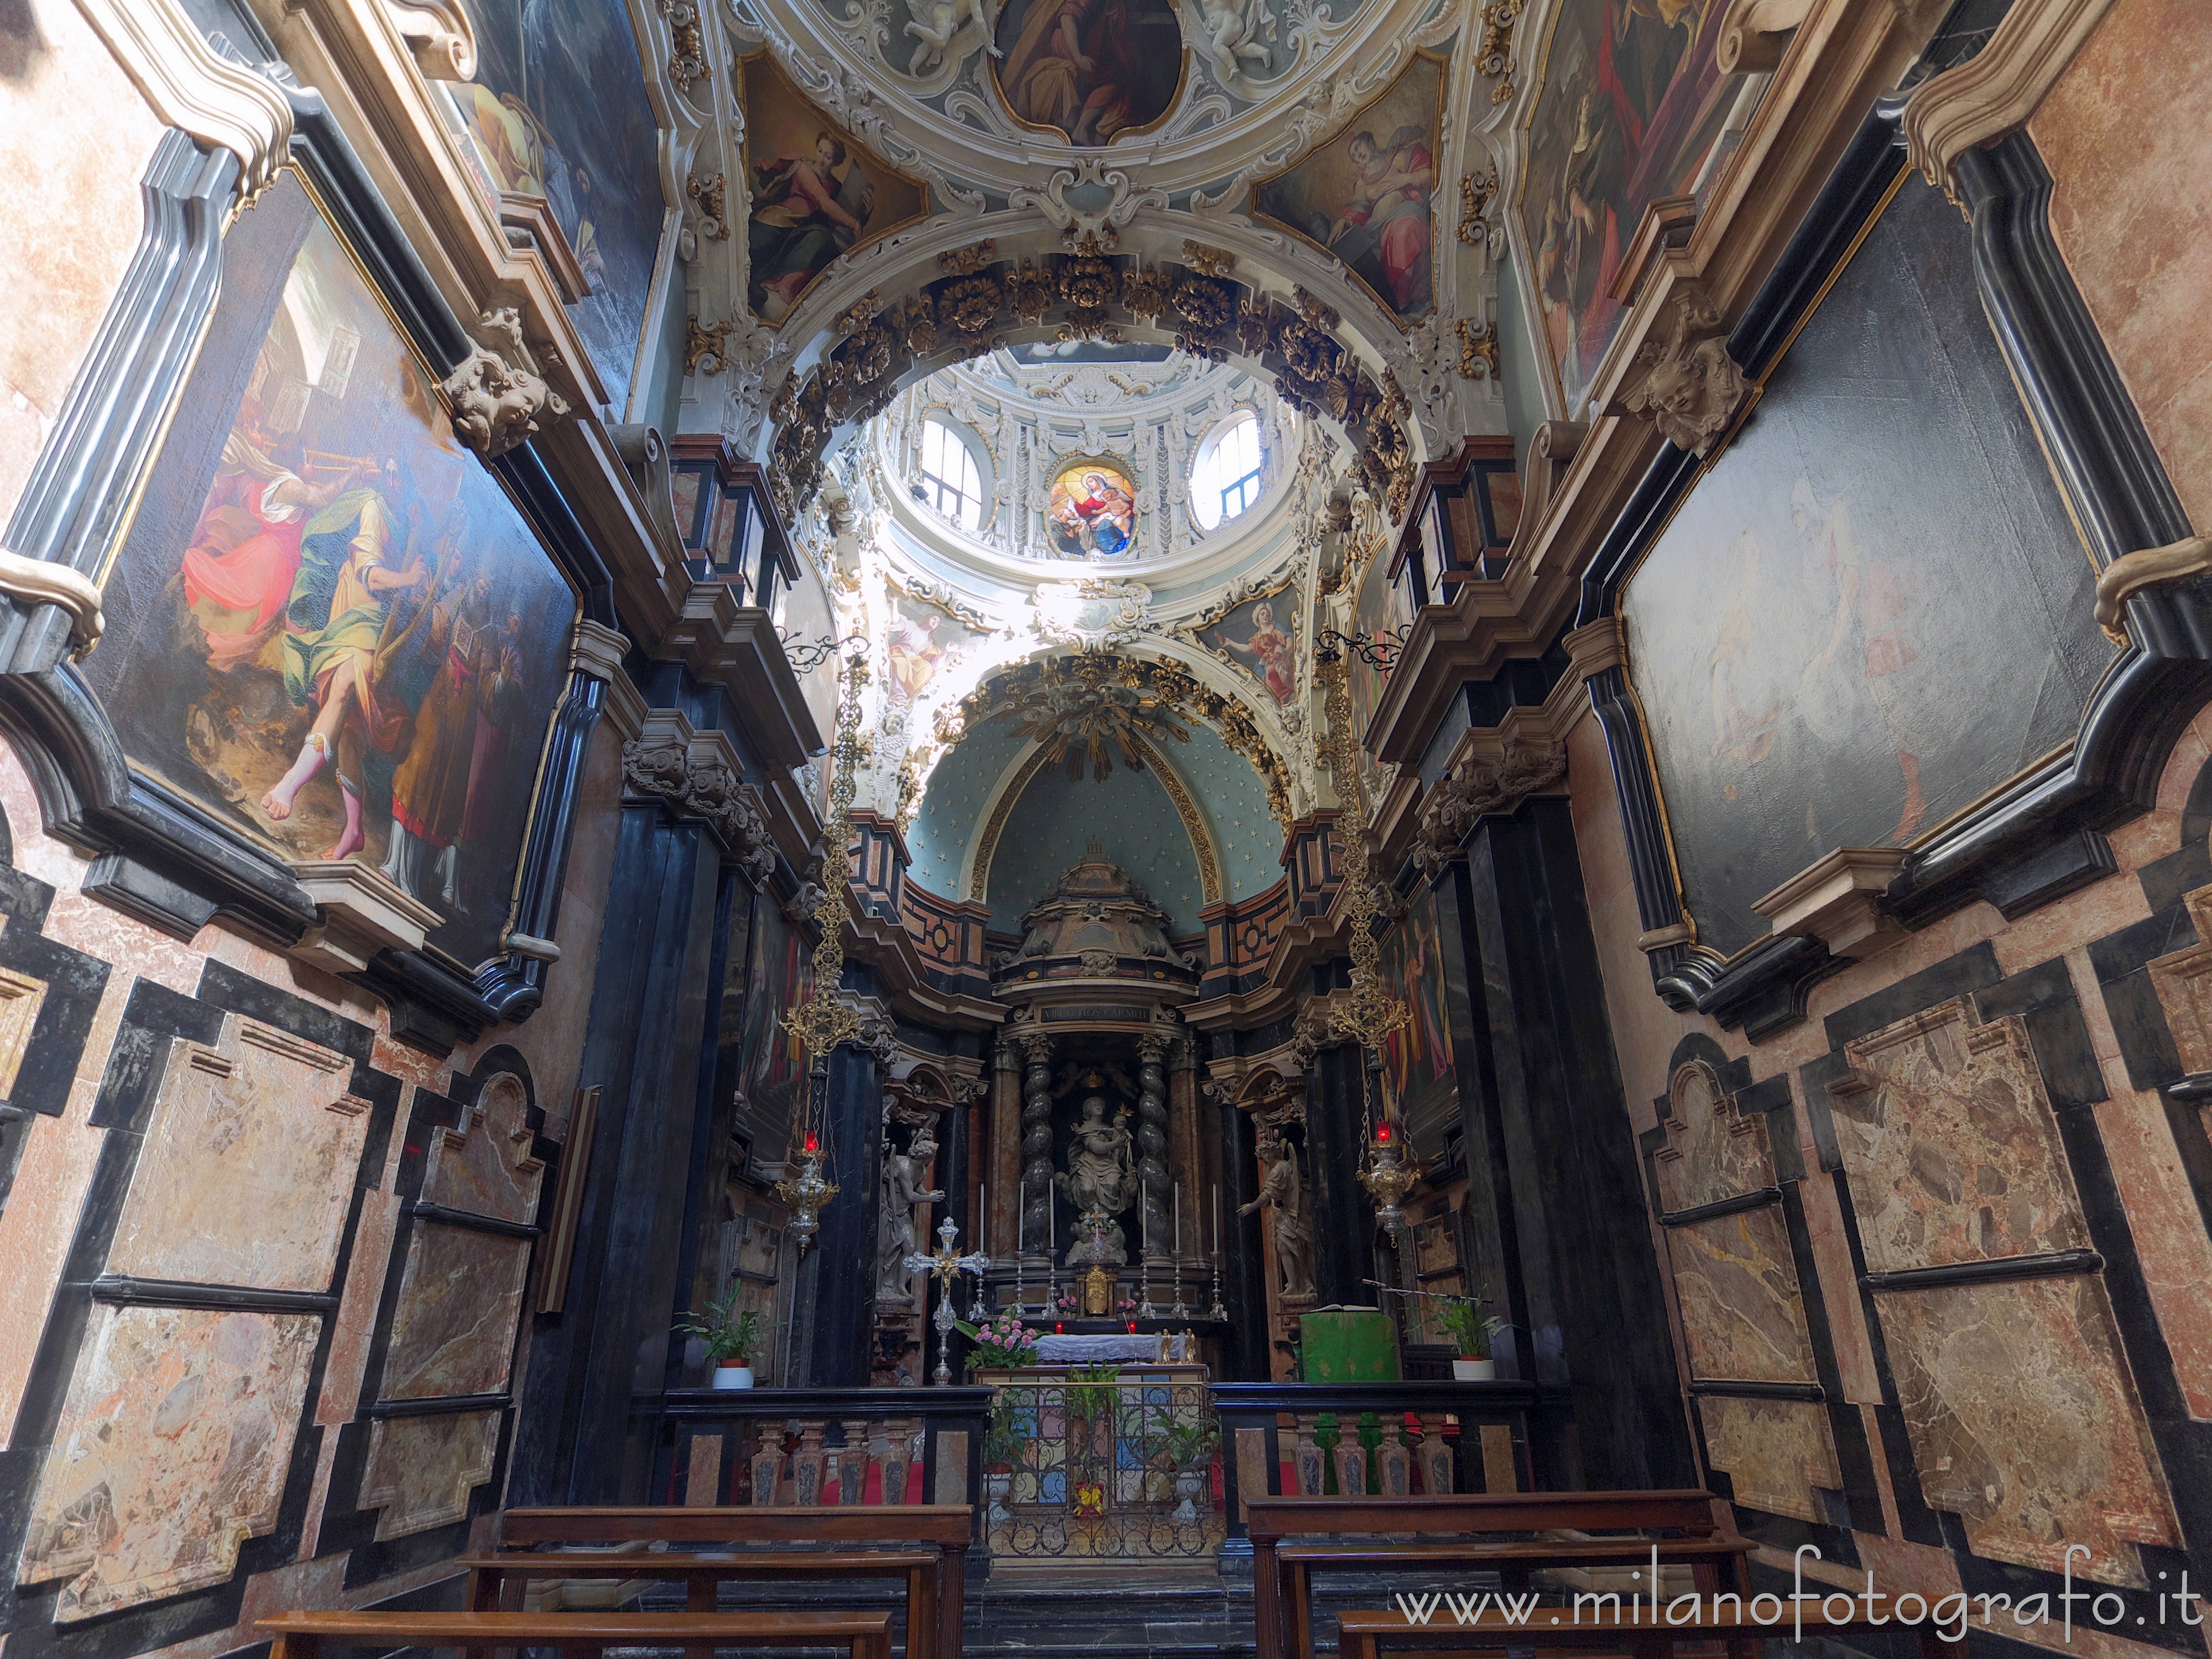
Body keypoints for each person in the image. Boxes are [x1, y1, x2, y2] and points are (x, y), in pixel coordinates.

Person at [260, 456, 427, 860]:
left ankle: (290, 783)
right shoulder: (373, 506)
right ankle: (353, 831)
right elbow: (369, 571)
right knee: (349, 732)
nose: (390, 478)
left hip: (369, 623)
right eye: (386, 471)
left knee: (345, 689)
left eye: (396, 472)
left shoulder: (407, 523)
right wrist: (406, 579)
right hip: (352, 611)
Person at [749, 133, 877, 321]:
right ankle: (755, 283)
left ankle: (767, 284)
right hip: (777, 222)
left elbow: (837, 217)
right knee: (753, 250)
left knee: (824, 241)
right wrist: (855, 223)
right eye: (820, 151)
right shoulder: (803, 167)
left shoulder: (835, 186)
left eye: (828, 156)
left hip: (800, 231)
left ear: (836, 162)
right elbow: (823, 203)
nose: (822, 158)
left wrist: (865, 214)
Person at [1000, 0, 1140, 143]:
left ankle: (1085, 128)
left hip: (1086, 43)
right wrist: (1078, 57)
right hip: (1068, 44)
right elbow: (1067, 17)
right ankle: (1082, 129)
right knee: (1115, 77)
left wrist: (1117, 8)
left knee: (1119, 75)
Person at [1239, 1132, 1315, 1301]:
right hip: (1288, 1212)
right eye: (1261, 1156)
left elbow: (1268, 1194)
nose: (1263, 1158)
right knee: (1284, 1247)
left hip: (1296, 1213)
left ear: (1272, 1153)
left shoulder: (1280, 1169)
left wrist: (1251, 1207)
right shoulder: (1278, 1168)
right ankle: (1297, 1284)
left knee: (1293, 1247)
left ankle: (1302, 1284)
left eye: (1265, 1154)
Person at [1212, 601, 1296, 702]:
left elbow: (1289, 639)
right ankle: (1280, 699)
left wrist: (1286, 656)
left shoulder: (1275, 627)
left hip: (1283, 657)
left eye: (1267, 614)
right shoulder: (1257, 637)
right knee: (1267, 681)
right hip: (1270, 663)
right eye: (1263, 614)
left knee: (1285, 677)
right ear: (1257, 617)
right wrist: (1231, 642)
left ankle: (1296, 691)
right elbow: (1247, 648)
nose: (1266, 616)